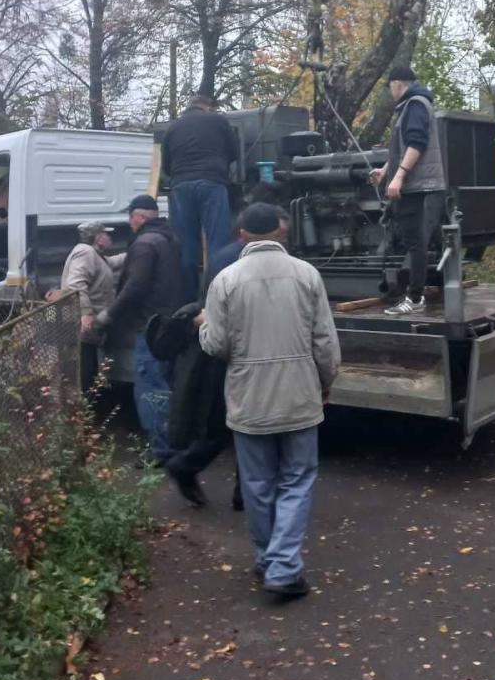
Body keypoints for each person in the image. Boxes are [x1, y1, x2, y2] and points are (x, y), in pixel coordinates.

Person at [200, 203, 340, 597]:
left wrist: (202, 328)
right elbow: (325, 341)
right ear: (280, 232)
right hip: (299, 395)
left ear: (242, 234)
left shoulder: (225, 280)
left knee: (257, 484)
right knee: (297, 480)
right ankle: (284, 567)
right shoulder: (307, 274)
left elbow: (216, 345)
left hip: (249, 398)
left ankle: (268, 561)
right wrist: (325, 380)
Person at [166, 209, 292, 511]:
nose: (283, 239)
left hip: (232, 351)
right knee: (242, 425)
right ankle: (201, 473)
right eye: (280, 233)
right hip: (236, 354)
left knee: (235, 425)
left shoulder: (227, 256)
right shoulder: (238, 262)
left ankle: (231, 487)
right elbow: (227, 310)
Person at [96, 194, 184, 464]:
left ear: (140, 217)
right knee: (165, 385)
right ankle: (171, 442)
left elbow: (136, 285)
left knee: (150, 389)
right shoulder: (169, 238)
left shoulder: (145, 243)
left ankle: (159, 451)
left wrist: (108, 315)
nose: (129, 222)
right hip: (169, 324)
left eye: (131, 217)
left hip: (150, 326)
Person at [369, 65, 447, 316]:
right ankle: (415, 295)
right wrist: (385, 171)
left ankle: (414, 298)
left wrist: (399, 177)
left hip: (418, 185)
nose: (390, 92)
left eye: (390, 87)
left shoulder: (414, 105)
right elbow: (403, 149)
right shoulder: (413, 105)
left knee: (415, 243)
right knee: (414, 241)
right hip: (417, 184)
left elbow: (416, 144)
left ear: (397, 84)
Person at [162, 92, 240, 303]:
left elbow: (166, 165)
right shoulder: (217, 120)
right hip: (212, 182)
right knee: (218, 242)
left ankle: (188, 301)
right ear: (208, 107)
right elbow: (234, 152)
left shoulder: (173, 127)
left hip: (181, 186)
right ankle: (217, 298)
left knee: (185, 246)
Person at [59, 221, 125, 394]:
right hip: (81, 324)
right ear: (98, 238)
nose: (110, 237)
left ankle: (88, 403)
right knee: (85, 369)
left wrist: (135, 252)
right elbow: (76, 284)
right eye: (106, 234)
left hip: (89, 326)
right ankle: (84, 404)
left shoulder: (96, 256)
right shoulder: (86, 253)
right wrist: (86, 313)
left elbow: (112, 262)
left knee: (89, 366)